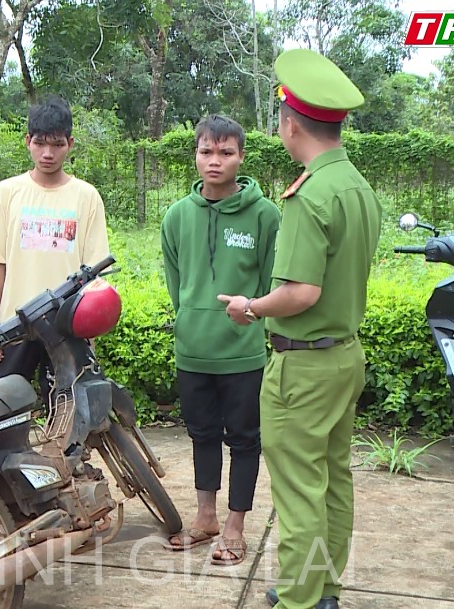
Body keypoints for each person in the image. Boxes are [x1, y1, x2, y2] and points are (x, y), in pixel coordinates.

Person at [217, 49, 382, 609]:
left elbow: (301, 292)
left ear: (290, 124)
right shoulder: (357, 186)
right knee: (333, 480)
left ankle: (299, 600)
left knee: (298, 490)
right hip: (344, 356)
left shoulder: (310, 194)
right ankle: (322, 589)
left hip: (304, 365)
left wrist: (250, 307)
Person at [0, 96, 110, 527]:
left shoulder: (86, 197)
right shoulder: (7, 193)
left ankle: (61, 494)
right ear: (27, 142)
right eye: (40, 143)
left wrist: (89, 331)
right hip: (15, 327)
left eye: (56, 143)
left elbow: (93, 271)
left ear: (70, 144)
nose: (48, 153)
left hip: (67, 327)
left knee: (71, 416)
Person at [161, 115, 279, 566]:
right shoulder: (177, 216)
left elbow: (270, 282)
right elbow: (177, 284)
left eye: (226, 152)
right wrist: (191, 317)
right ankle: (205, 517)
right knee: (202, 435)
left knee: (245, 439)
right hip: (192, 349)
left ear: (241, 157)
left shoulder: (265, 215)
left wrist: (252, 312)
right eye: (206, 151)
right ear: (195, 154)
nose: (215, 161)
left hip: (243, 352)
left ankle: (235, 526)